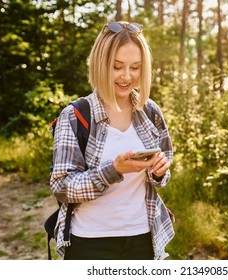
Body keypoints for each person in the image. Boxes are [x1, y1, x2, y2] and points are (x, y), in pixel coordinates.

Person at [50, 22, 174, 260]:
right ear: (100, 64)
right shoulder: (75, 115)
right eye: (117, 67)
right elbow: (62, 187)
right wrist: (113, 170)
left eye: (135, 67)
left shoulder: (151, 112)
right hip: (90, 241)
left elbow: (163, 173)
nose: (127, 76)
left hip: (143, 237)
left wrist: (158, 172)